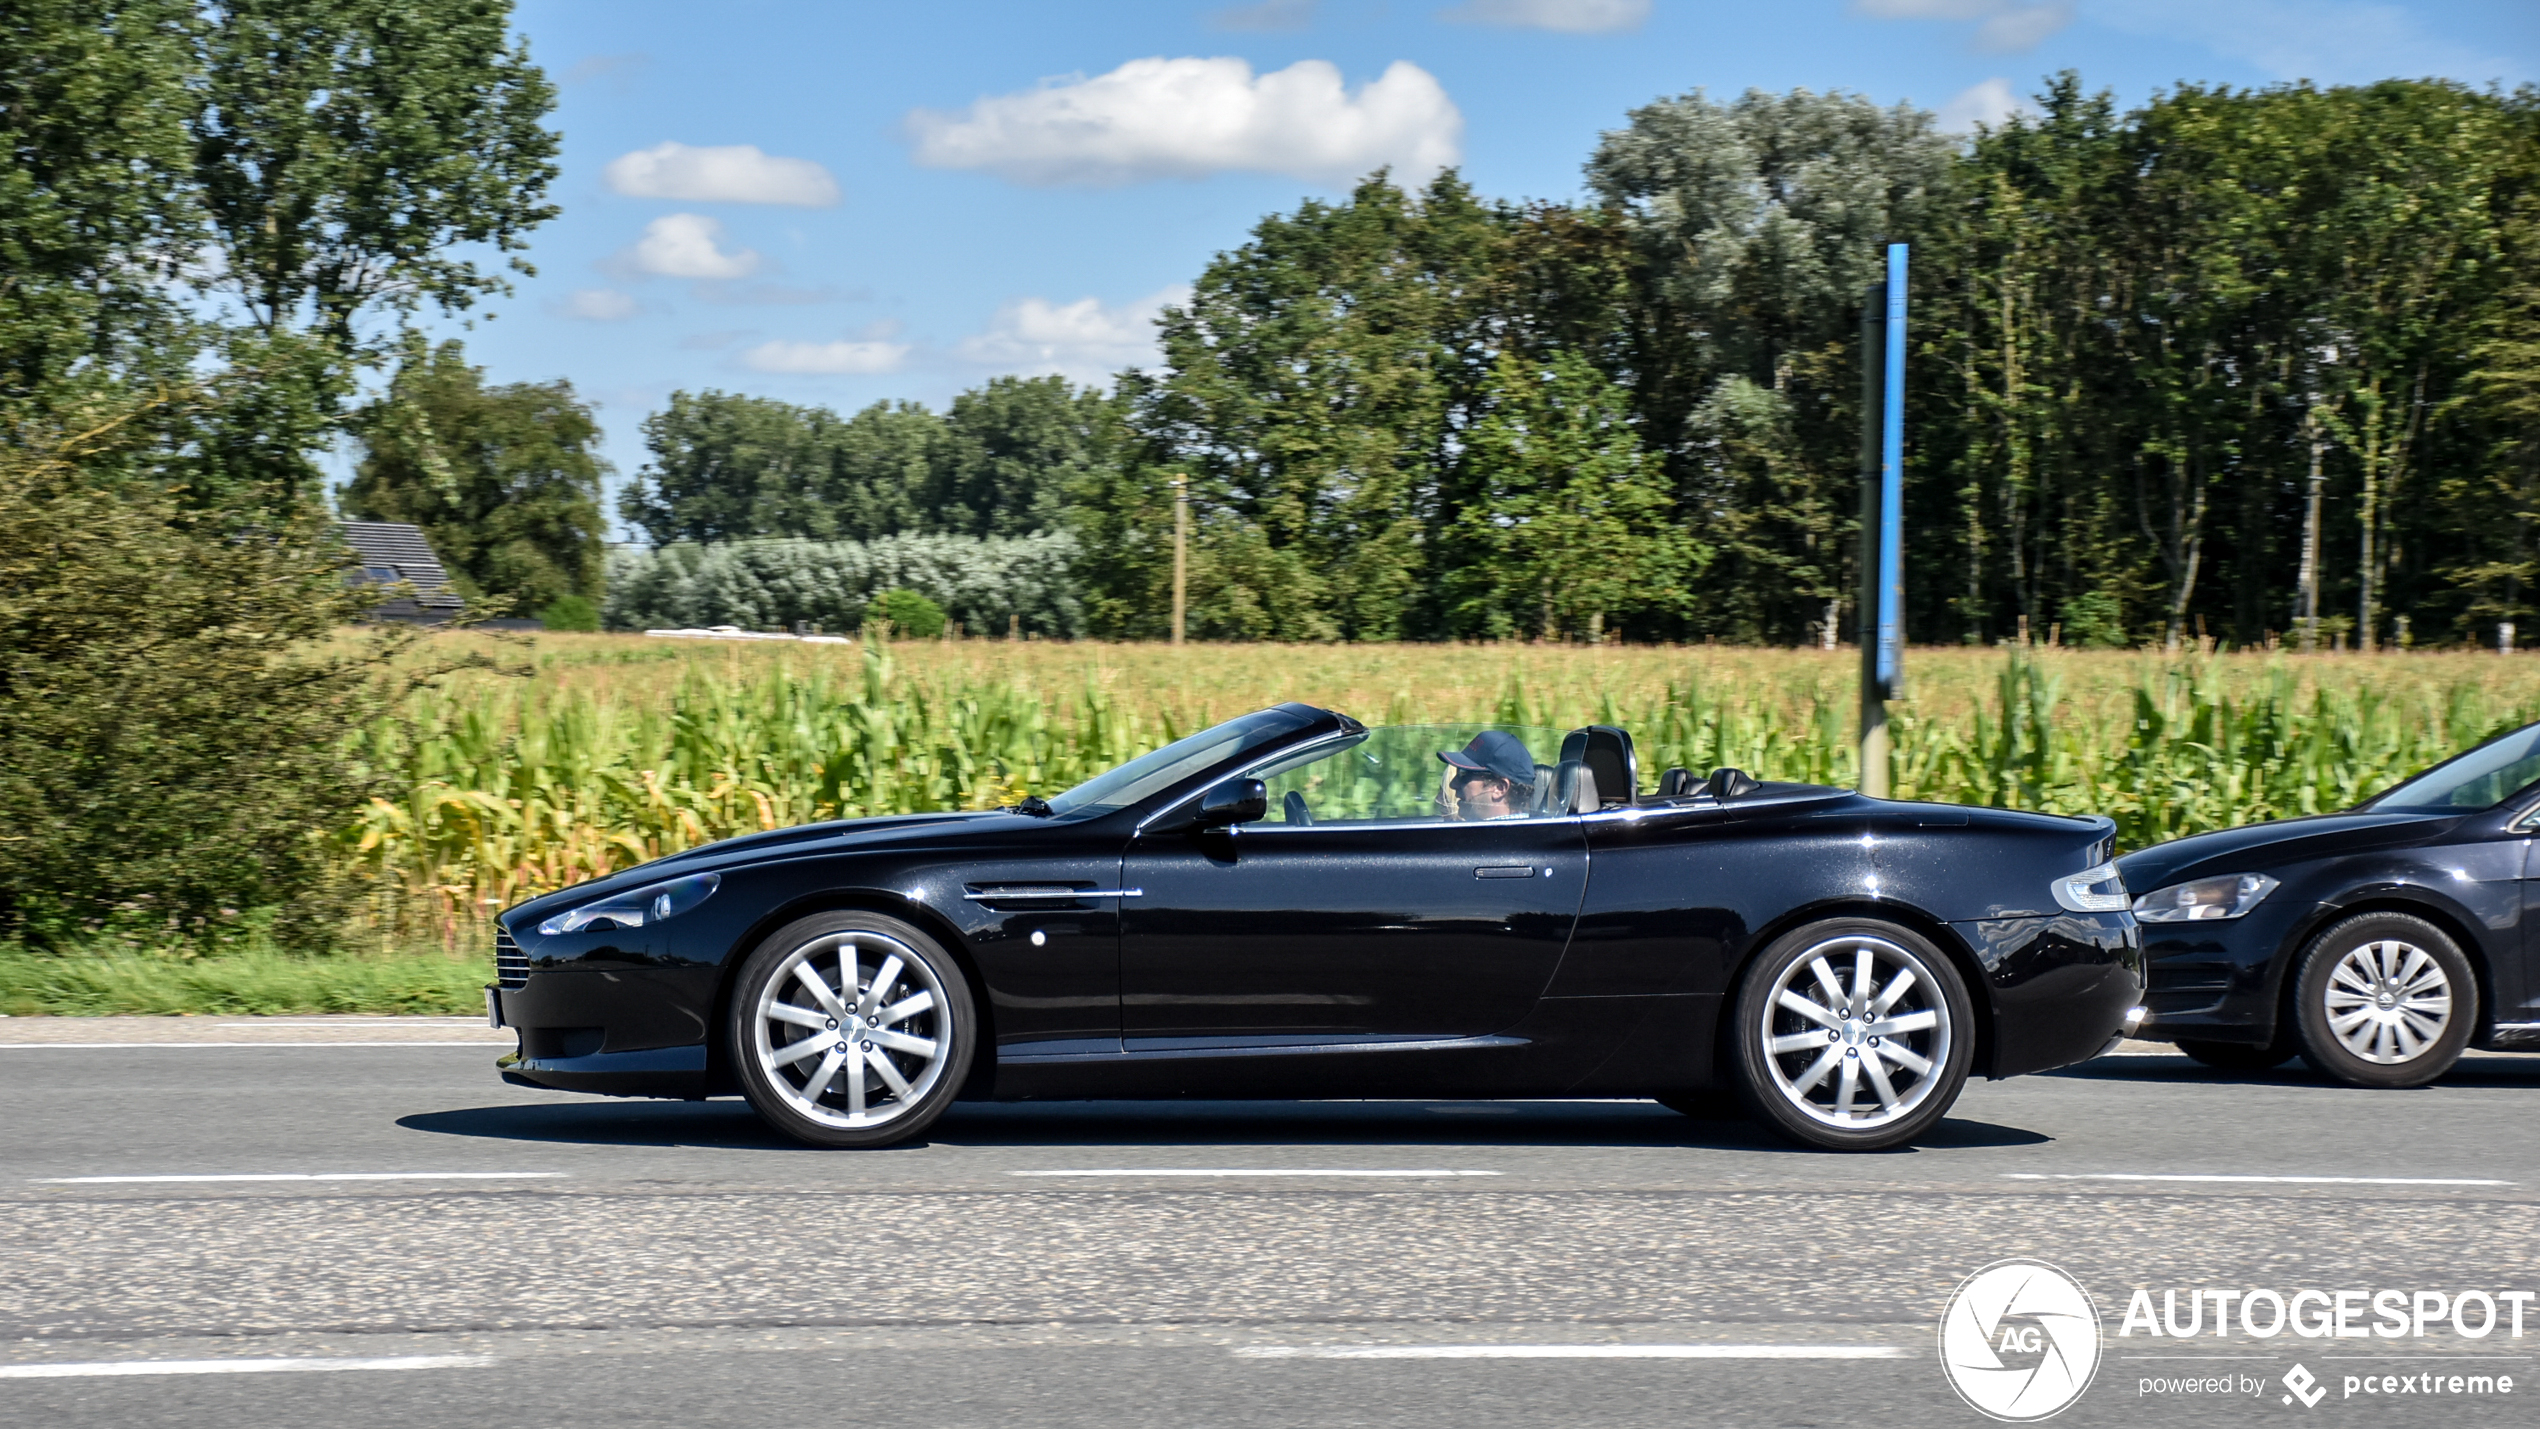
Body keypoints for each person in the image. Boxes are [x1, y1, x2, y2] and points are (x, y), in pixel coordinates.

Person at [1437, 730, 1538, 821]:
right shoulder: (1528, 835)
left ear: (1500, 788)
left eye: (1463, 774)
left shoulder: (1496, 839)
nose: (1453, 784)